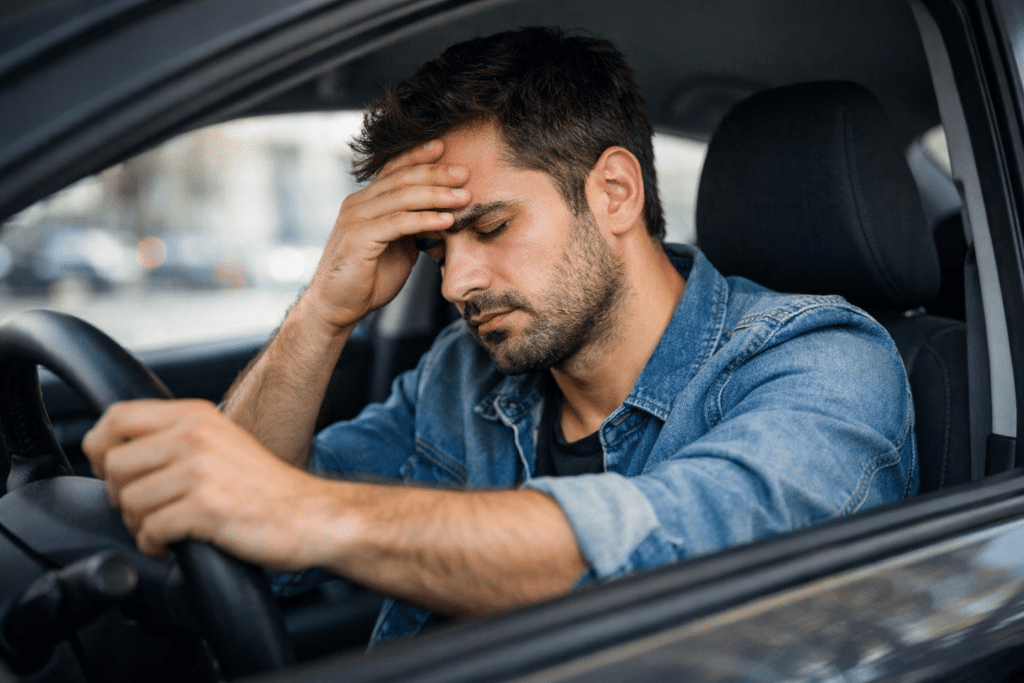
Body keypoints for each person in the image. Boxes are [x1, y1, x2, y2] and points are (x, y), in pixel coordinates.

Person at [82, 27, 919, 646]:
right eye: (437, 249)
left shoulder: (823, 362)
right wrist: (322, 312)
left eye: (490, 226)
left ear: (617, 193)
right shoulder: (466, 377)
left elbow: (669, 552)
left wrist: (304, 511)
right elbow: (247, 537)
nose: (454, 283)